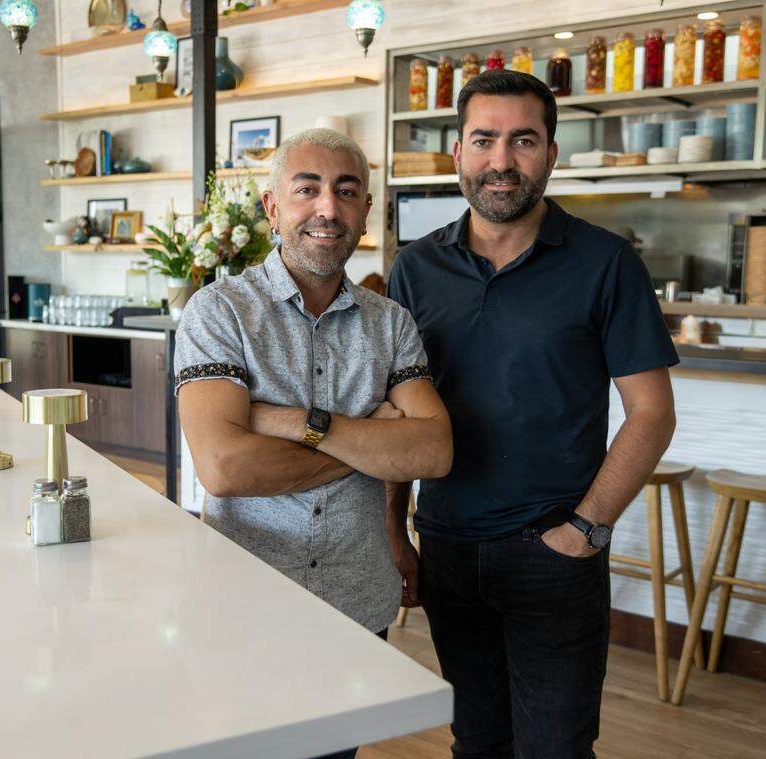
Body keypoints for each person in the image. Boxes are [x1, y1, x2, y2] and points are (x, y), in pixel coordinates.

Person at [386, 70, 679, 758]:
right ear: (458, 152)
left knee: (556, 749)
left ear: (550, 152)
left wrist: (585, 529)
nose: (501, 160)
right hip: (447, 547)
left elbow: (652, 413)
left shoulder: (607, 263)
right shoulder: (415, 268)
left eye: (522, 140)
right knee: (477, 742)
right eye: (483, 139)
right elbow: (394, 414)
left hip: (553, 551)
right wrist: (394, 528)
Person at [175, 128, 453, 756]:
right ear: (272, 208)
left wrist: (296, 423)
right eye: (308, 189)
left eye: (346, 192)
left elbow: (433, 452)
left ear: (365, 210)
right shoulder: (219, 312)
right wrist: (372, 437)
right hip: (247, 600)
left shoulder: (393, 323)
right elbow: (224, 467)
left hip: (357, 601)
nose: (328, 208)